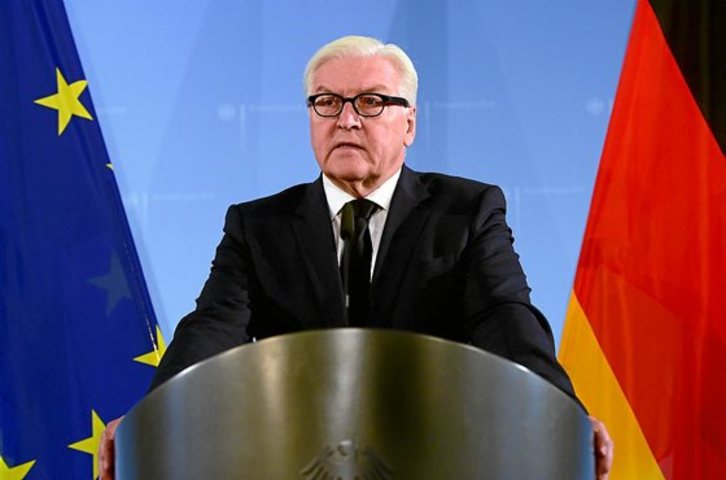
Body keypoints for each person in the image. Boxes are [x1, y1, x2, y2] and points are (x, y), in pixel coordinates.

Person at [100, 35, 613, 479]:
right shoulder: (257, 227)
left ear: (409, 123)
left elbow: (505, 318)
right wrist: (153, 414)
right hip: (297, 460)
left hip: (435, 456)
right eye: (327, 102)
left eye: (370, 102)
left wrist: (562, 412)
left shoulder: (467, 212)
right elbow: (212, 328)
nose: (346, 119)